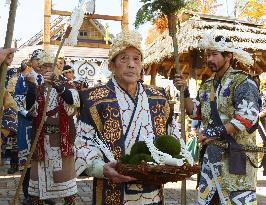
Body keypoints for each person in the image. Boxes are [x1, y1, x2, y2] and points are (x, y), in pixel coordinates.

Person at [75, 30, 193, 204]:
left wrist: (177, 161)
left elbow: (172, 137)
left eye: (136, 59)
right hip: (112, 190)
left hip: (153, 190)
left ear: (141, 65)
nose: (131, 64)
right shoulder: (94, 99)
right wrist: (101, 169)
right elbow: (83, 143)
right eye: (124, 58)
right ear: (112, 65)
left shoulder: (158, 98)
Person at [175, 29, 260, 204]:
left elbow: (247, 117)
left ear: (228, 56)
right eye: (207, 55)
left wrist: (214, 133)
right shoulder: (206, 86)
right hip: (210, 160)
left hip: (236, 160)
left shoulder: (244, 82)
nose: (209, 60)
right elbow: (194, 112)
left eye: (214, 55)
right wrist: (184, 92)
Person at [25, 50, 79, 205]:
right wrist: (30, 88)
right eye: (44, 66)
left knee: (66, 184)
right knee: (37, 186)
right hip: (41, 141)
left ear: (57, 67)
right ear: (40, 70)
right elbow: (31, 111)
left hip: (61, 140)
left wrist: (57, 85)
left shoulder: (67, 85)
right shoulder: (38, 88)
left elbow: (73, 102)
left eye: (51, 66)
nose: (47, 69)